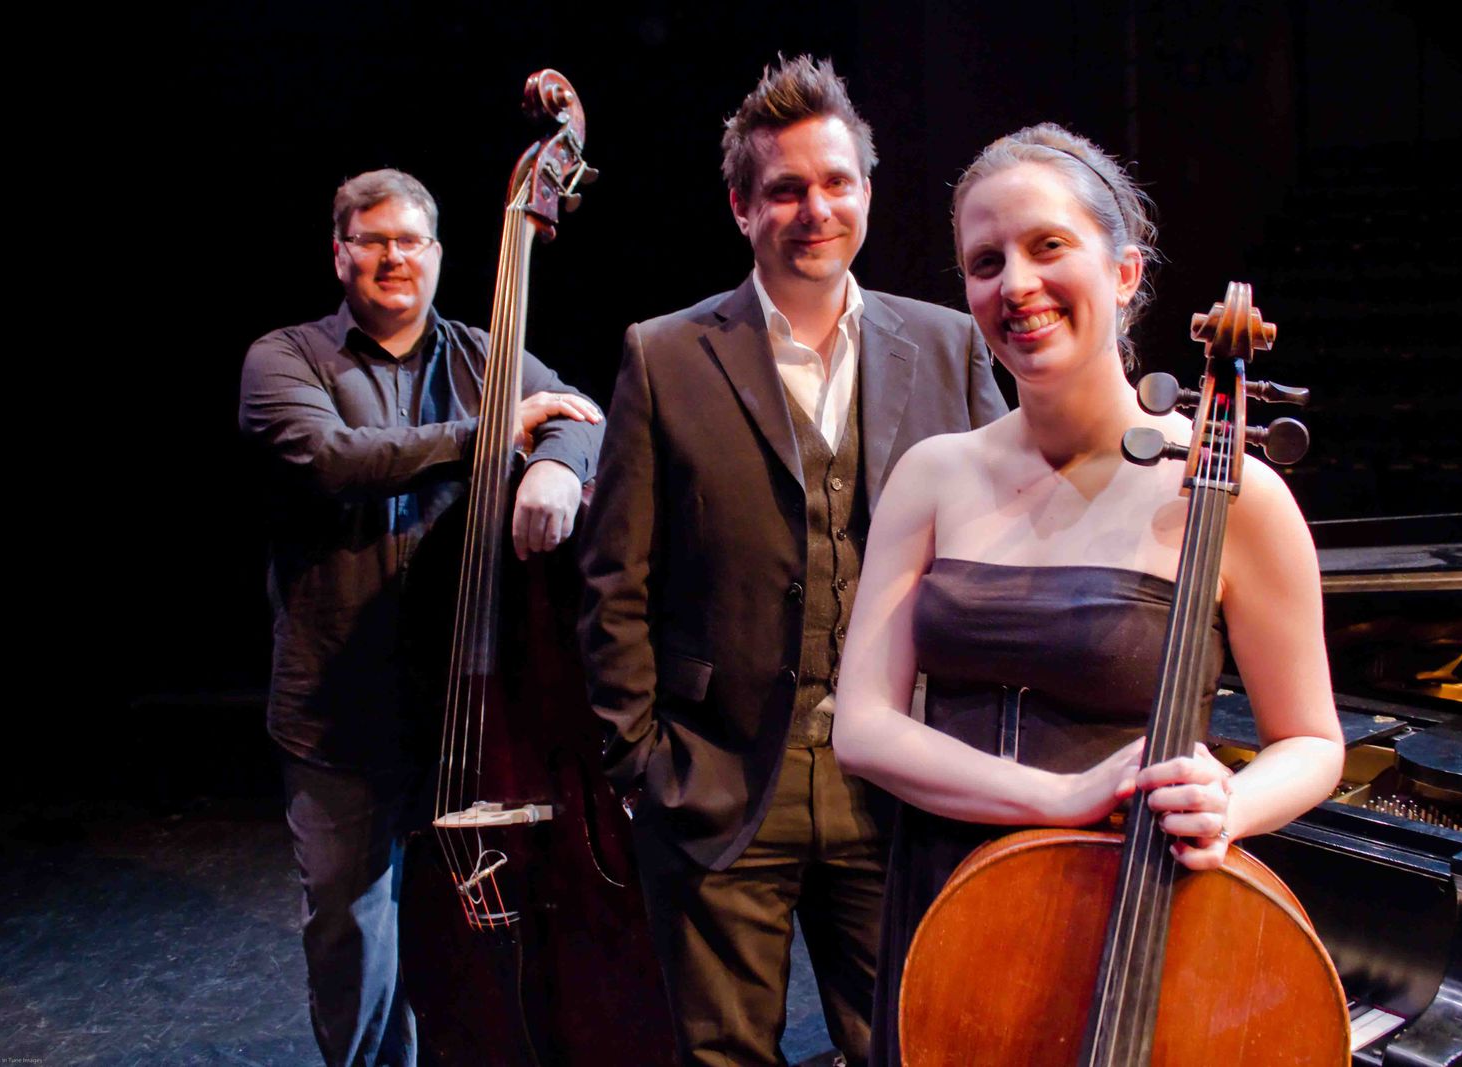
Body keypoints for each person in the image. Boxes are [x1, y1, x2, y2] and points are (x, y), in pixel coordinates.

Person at [830, 123, 1346, 1066]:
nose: (1015, 284)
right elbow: (862, 727)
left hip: (1130, 918)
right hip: (946, 918)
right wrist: (1062, 795)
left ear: (1124, 270)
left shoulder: (1233, 493)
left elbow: (1313, 742)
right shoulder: (932, 474)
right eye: (986, 262)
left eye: (1048, 245)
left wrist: (1231, 803)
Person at [577, 56, 1008, 1066]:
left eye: (836, 182)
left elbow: (1002, 555)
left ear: (866, 190)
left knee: (912, 1045)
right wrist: (642, 763)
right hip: (718, 783)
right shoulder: (664, 355)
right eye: (785, 189)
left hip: (901, 785)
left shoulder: (948, 344)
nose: (815, 209)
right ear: (742, 207)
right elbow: (614, 583)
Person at [238, 168, 603, 1067]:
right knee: (353, 935)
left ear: (438, 255)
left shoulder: (485, 356)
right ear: (340, 254)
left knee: (484, 928)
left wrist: (556, 465)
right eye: (373, 240)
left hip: (469, 704)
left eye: (411, 240)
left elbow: (580, 418)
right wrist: (492, 435)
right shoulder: (284, 358)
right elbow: (332, 458)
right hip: (340, 709)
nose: (394, 256)